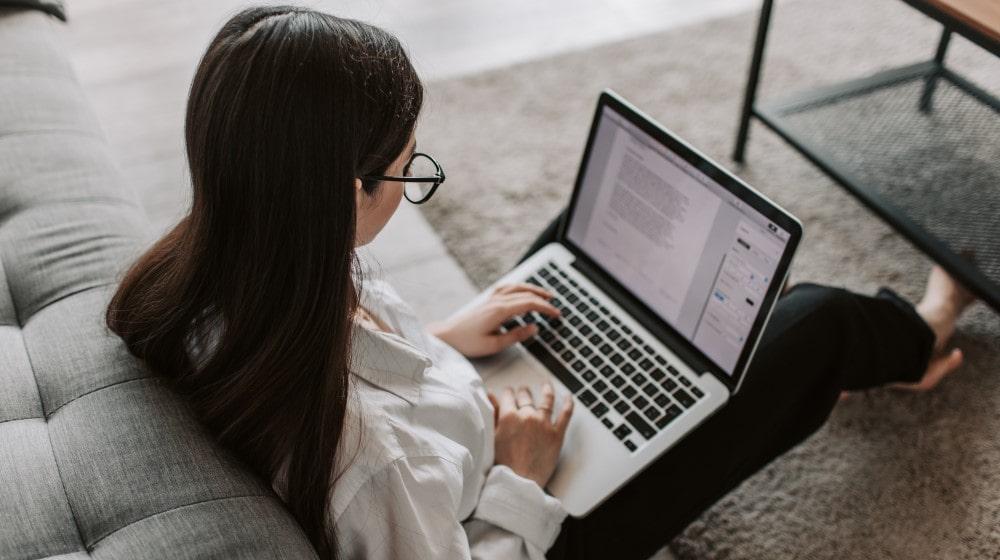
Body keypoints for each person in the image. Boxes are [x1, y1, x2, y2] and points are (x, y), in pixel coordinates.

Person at [105, 6, 976, 560]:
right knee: (813, 322)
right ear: (344, 193)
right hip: (535, 518)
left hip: (460, 426)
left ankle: (709, 347)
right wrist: (523, 473)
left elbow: (350, 372)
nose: (413, 183)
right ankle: (922, 333)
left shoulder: (219, 271)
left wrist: (442, 342)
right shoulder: (372, 464)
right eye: (410, 174)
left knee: (577, 250)